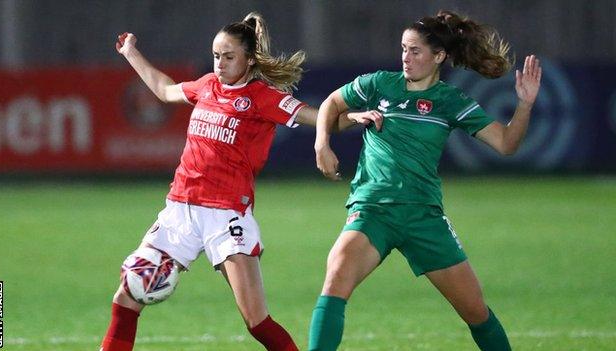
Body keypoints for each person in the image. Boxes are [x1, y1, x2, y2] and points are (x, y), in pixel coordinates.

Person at [100, 12, 356, 351]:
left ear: (249, 60)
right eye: (216, 56)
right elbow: (164, 90)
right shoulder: (207, 85)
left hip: (227, 216)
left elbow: (322, 116)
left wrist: (357, 117)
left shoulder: (263, 98)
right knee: (127, 296)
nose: (220, 64)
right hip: (180, 210)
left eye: (229, 57)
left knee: (256, 320)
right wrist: (131, 52)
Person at [309, 10, 542, 351]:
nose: (406, 57)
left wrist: (524, 105)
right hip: (373, 211)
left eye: (415, 50)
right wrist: (322, 144)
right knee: (335, 281)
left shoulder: (451, 101)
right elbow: (330, 104)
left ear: (439, 56)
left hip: (424, 217)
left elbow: (507, 144)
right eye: (404, 48)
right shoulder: (379, 84)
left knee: (476, 312)